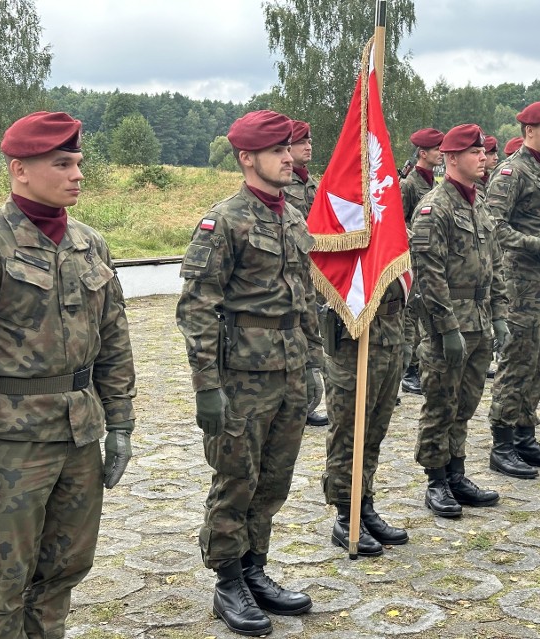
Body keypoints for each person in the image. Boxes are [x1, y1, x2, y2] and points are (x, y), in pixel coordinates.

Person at [176, 110, 319, 635]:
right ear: (247, 158)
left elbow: (305, 300)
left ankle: (256, 567)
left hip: (290, 368)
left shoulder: (291, 217)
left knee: (274, 479)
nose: (289, 157)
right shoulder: (225, 221)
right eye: (277, 150)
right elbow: (195, 309)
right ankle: (228, 580)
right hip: (241, 374)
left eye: (289, 148)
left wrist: (315, 362)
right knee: (237, 478)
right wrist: (206, 388)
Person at [0, 111, 137, 638]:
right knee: (3, 579)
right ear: (20, 170)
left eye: (78, 162)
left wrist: (120, 424)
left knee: (65, 567)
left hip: (79, 433)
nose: (78, 173)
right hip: (11, 441)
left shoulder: (89, 243)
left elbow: (115, 341)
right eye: (63, 163)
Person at [410, 124, 508, 516]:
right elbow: (428, 275)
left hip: (480, 319)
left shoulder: (477, 203)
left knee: (465, 403)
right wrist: (446, 328)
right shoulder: (436, 207)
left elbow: (495, 262)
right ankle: (436, 480)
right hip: (448, 324)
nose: (483, 158)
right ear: (451, 158)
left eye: (483, 152)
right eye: (474, 152)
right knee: (440, 403)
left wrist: (499, 314)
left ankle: (456, 471)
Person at [486, 100, 540, 478]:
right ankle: (502, 443)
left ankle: (525, 433)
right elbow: (492, 225)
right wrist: (535, 245)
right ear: (528, 132)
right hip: (521, 284)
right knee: (517, 361)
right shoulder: (512, 171)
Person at [321, 283, 408, 555]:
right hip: (353, 338)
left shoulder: (396, 238)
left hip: (391, 335)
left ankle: (365, 505)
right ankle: (346, 515)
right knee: (349, 433)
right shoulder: (343, 237)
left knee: (373, 434)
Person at [283, 119, 329, 426]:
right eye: (302, 142)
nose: (308, 147)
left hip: (317, 270)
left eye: (310, 141)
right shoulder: (283, 185)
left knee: (314, 334)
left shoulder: (314, 184)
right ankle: (299, 401)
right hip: (294, 270)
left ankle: (309, 398)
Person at [400, 128, 444, 396]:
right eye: (437, 149)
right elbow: (399, 220)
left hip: (429, 259)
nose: (441, 153)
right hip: (412, 258)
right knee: (411, 315)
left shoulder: (433, 185)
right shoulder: (408, 184)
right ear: (422, 153)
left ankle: (419, 364)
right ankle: (409, 370)